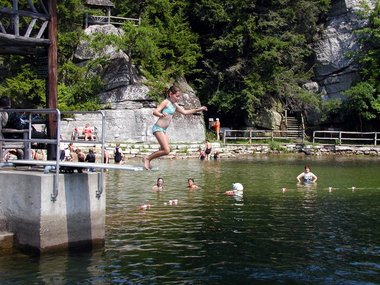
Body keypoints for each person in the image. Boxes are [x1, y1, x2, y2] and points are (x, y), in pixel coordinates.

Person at [143, 85, 207, 170]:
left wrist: (199, 109)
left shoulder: (174, 105)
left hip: (164, 130)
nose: (178, 98)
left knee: (164, 150)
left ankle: (148, 159)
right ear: (170, 94)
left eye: (179, 96)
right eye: (177, 96)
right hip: (158, 128)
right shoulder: (165, 102)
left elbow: (185, 112)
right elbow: (155, 112)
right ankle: (147, 158)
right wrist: (161, 114)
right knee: (166, 150)